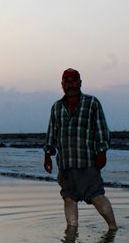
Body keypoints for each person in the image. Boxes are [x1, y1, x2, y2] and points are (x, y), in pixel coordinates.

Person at [43, 68, 118, 230]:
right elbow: (52, 133)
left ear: (80, 83)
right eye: (67, 81)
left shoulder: (92, 103)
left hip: (87, 162)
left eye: (74, 80)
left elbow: (101, 130)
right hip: (66, 163)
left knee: (97, 196)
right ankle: (71, 233)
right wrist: (47, 155)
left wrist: (102, 152)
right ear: (62, 85)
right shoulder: (56, 107)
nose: (70, 84)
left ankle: (113, 228)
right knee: (69, 198)